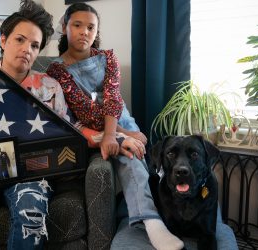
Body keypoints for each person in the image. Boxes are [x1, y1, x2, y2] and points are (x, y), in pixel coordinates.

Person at [0, 1, 135, 249]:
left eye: (34, 45)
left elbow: (71, 129)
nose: (27, 49)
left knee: (30, 212)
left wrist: (118, 138)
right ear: (3, 40)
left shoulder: (48, 86)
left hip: (29, 176)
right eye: (20, 40)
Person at [46, 3, 185, 250]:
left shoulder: (108, 57)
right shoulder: (57, 71)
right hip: (93, 129)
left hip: (121, 120)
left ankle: (154, 212)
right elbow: (85, 111)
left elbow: (112, 98)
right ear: (65, 27)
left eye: (91, 27)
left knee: (141, 158)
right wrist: (120, 137)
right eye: (77, 25)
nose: (84, 32)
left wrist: (125, 130)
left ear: (96, 31)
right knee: (130, 152)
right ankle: (152, 223)